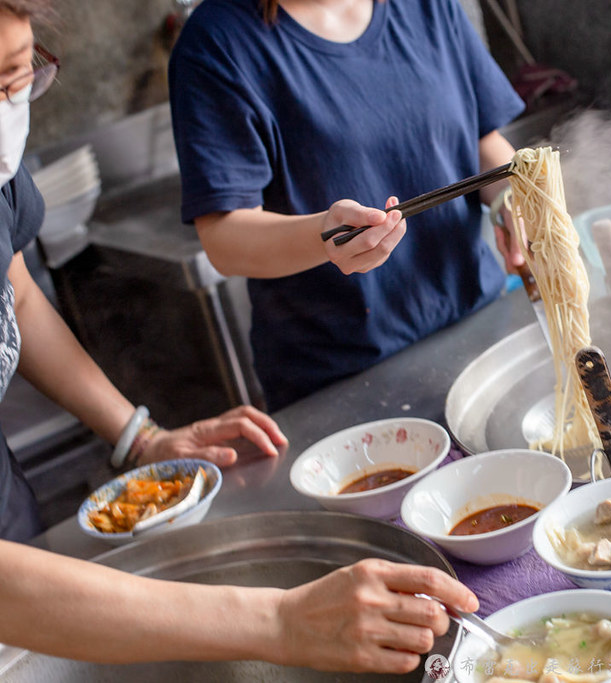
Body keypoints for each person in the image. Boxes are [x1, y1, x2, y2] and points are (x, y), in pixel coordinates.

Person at [0, 2, 478, 673]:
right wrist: (277, 618)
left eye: (16, 80)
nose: (8, 111)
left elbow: (12, 290)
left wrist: (139, 437)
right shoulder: (222, 43)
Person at [168, 0, 527, 411]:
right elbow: (223, 236)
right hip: (344, 382)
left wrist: (509, 198)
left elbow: (481, 138)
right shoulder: (217, 40)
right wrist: (326, 235)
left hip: (477, 333)